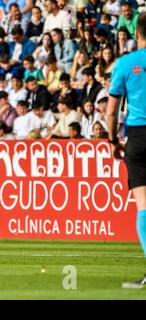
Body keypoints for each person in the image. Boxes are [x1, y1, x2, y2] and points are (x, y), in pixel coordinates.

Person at [107, 12, 146, 287]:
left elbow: (111, 112)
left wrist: (112, 140)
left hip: (138, 136)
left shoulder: (125, 63)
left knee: (144, 205)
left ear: (136, 34)